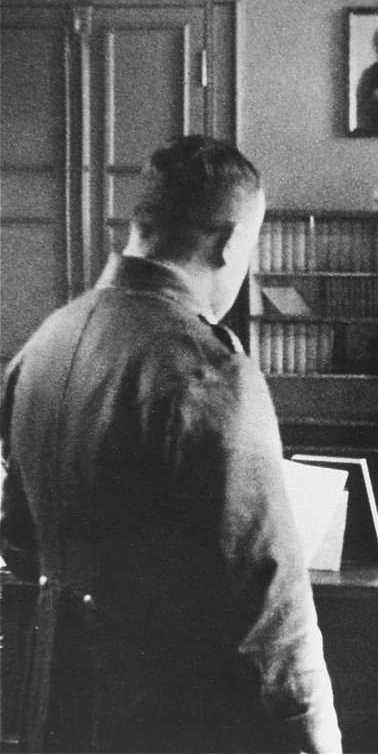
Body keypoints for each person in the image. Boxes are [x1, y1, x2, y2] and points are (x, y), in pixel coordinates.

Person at [0, 136, 342, 753]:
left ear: (140, 227)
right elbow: (267, 601)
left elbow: (20, 541)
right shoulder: (205, 368)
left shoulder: (42, 346)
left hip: (60, 713)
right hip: (180, 722)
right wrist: (315, 740)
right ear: (232, 242)